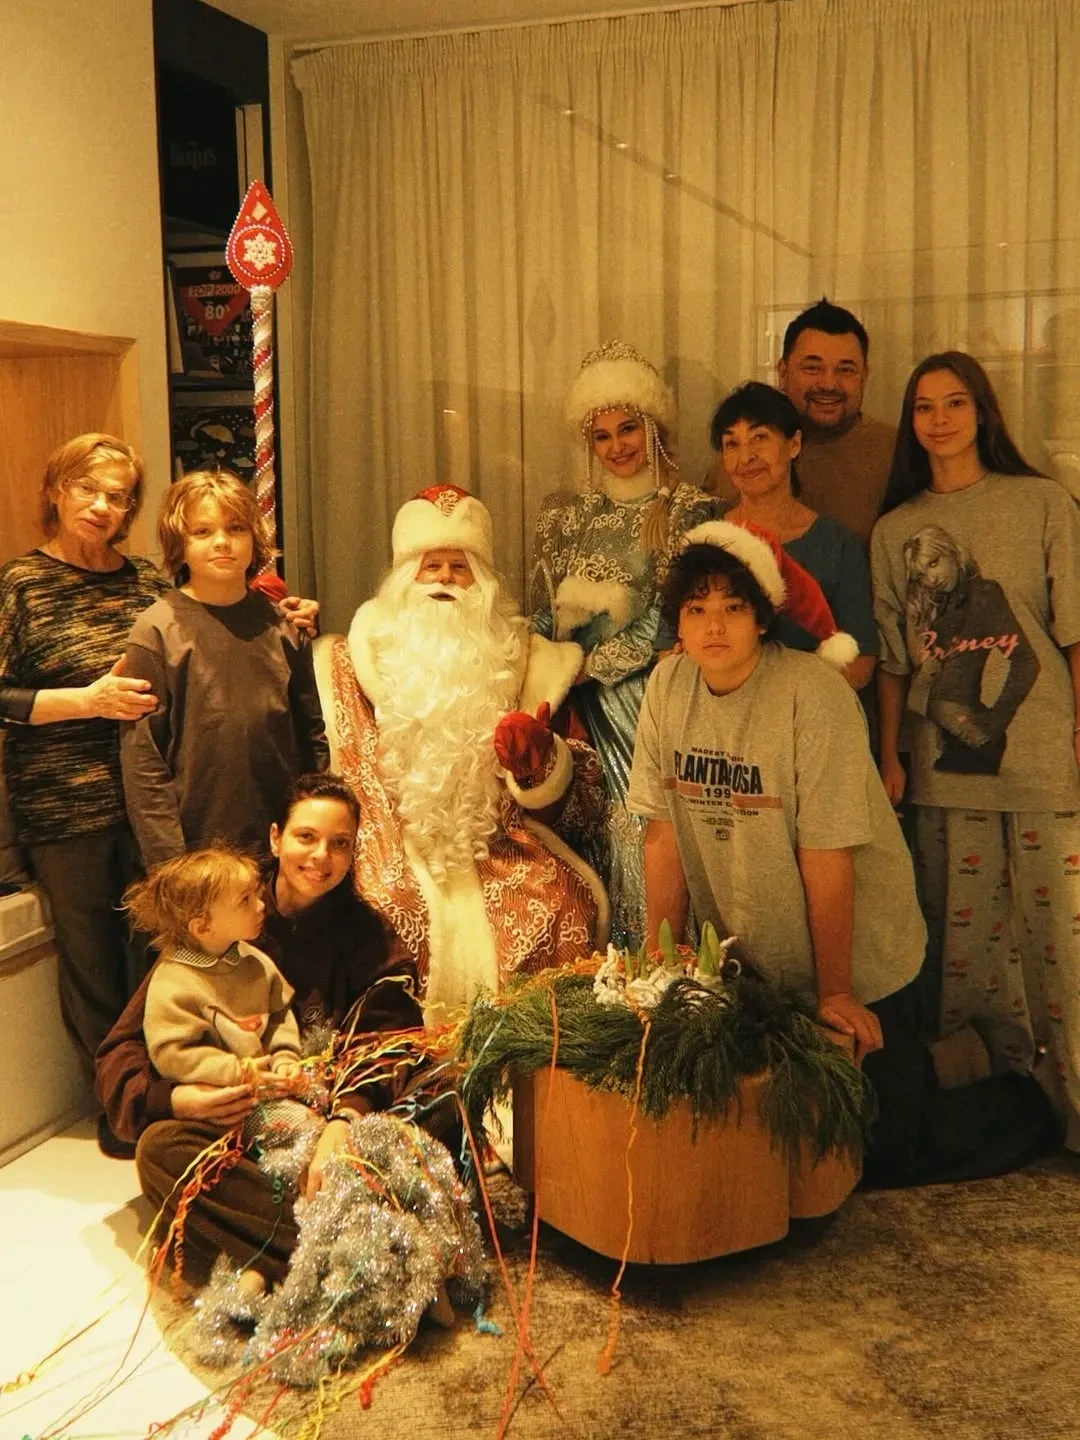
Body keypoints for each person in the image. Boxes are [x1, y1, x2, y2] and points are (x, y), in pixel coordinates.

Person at [627, 523, 1059, 1184]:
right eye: (696, 608)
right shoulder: (666, 688)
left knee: (873, 1156)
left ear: (763, 617)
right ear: (677, 624)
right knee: (773, 1145)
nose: (714, 626)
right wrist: (663, 968)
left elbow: (826, 854)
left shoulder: (813, 693)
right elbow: (663, 835)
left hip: (858, 957)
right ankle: (938, 1063)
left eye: (733, 607)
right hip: (759, 961)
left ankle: (1024, 1103)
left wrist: (836, 992)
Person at [0, 435, 315, 1136]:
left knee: (161, 963)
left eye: (117, 496)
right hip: (69, 801)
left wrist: (285, 613)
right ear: (55, 490)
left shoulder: (143, 581)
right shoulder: (21, 583)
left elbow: (216, 611)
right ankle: (125, 1111)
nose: (100, 505)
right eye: (86, 489)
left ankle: (186, 1100)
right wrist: (84, 701)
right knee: (95, 967)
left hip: (156, 800)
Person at [96, 773, 428, 1287]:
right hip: (240, 1124)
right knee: (159, 1149)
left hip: (327, 1113)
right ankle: (363, 1249)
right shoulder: (218, 919)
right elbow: (123, 1050)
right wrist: (177, 1099)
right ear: (276, 838)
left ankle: (265, 1250)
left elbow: (391, 1038)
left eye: (340, 844)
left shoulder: (368, 935)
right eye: (306, 837)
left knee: (445, 1095)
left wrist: (344, 1120)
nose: (321, 856)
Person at [870, 351, 1080, 1148]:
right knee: (960, 960)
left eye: (955, 402)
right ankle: (993, 1119)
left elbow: (1072, 634)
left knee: (1064, 948)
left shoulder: (1042, 502)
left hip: (1041, 765)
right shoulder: (894, 531)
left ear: (984, 411)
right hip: (942, 775)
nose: (940, 420)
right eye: (924, 406)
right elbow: (894, 662)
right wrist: (892, 756)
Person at [320, 483, 609, 1016]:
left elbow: (585, 802)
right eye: (430, 566)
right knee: (384, 905)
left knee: (557, 903)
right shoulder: (349, 661)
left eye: (460, 567)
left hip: (497, 845)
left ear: (484, 582)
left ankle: (526, 1058)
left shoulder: (530, 660)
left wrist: (541, 764)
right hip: (391, 844)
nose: (445, 580)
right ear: (405, 578)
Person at [530, 341, 718, 945]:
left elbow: (672, 619)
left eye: (628, 429)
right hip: (572, 703)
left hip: (647, 697)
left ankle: (658, 959)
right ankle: (600, 963)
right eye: (601, 436)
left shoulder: (687, 510)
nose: (617, 447)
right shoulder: (566, 515)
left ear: (653, 425)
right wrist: (538, 665)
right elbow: (543, 609)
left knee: (646, 825)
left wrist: (593, 666)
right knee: (581, 834)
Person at [120, 469, 329, 870]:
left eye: (236, 528)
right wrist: (169, 861)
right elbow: (143, 761)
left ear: (254, 539)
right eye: (202, 531)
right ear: (179, 544)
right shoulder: (155, 631)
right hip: (195, 847)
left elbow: (311, 739)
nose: (221, 541)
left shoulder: (285, 627)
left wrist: (311, 831)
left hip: (280, 842)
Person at [709, 381, 877, 691]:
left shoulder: (837, 545)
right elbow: (671, 649)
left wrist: (785, 700)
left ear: (794, 444)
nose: (746, 457)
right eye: (732, 444)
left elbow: (860, 661)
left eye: (760, 438)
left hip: (809, 710)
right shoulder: (707, 539)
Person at [713, 301, 895, 546]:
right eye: (812, 368)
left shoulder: (895, 455)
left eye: (846, 369)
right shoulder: (741, 456)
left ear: (864, 375)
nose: (828, 384)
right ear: (783, 372)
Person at [126, 847, 304, 1090]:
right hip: (217, 1097)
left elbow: (279, 1015)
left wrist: (285, 1058)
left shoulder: (254, 960)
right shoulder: (172, 984)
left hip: (271, 1087)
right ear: (202, 927)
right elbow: (173, 1054)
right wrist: (236, 1072)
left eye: (256, 893)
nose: (261, 905)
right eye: (245, 900)